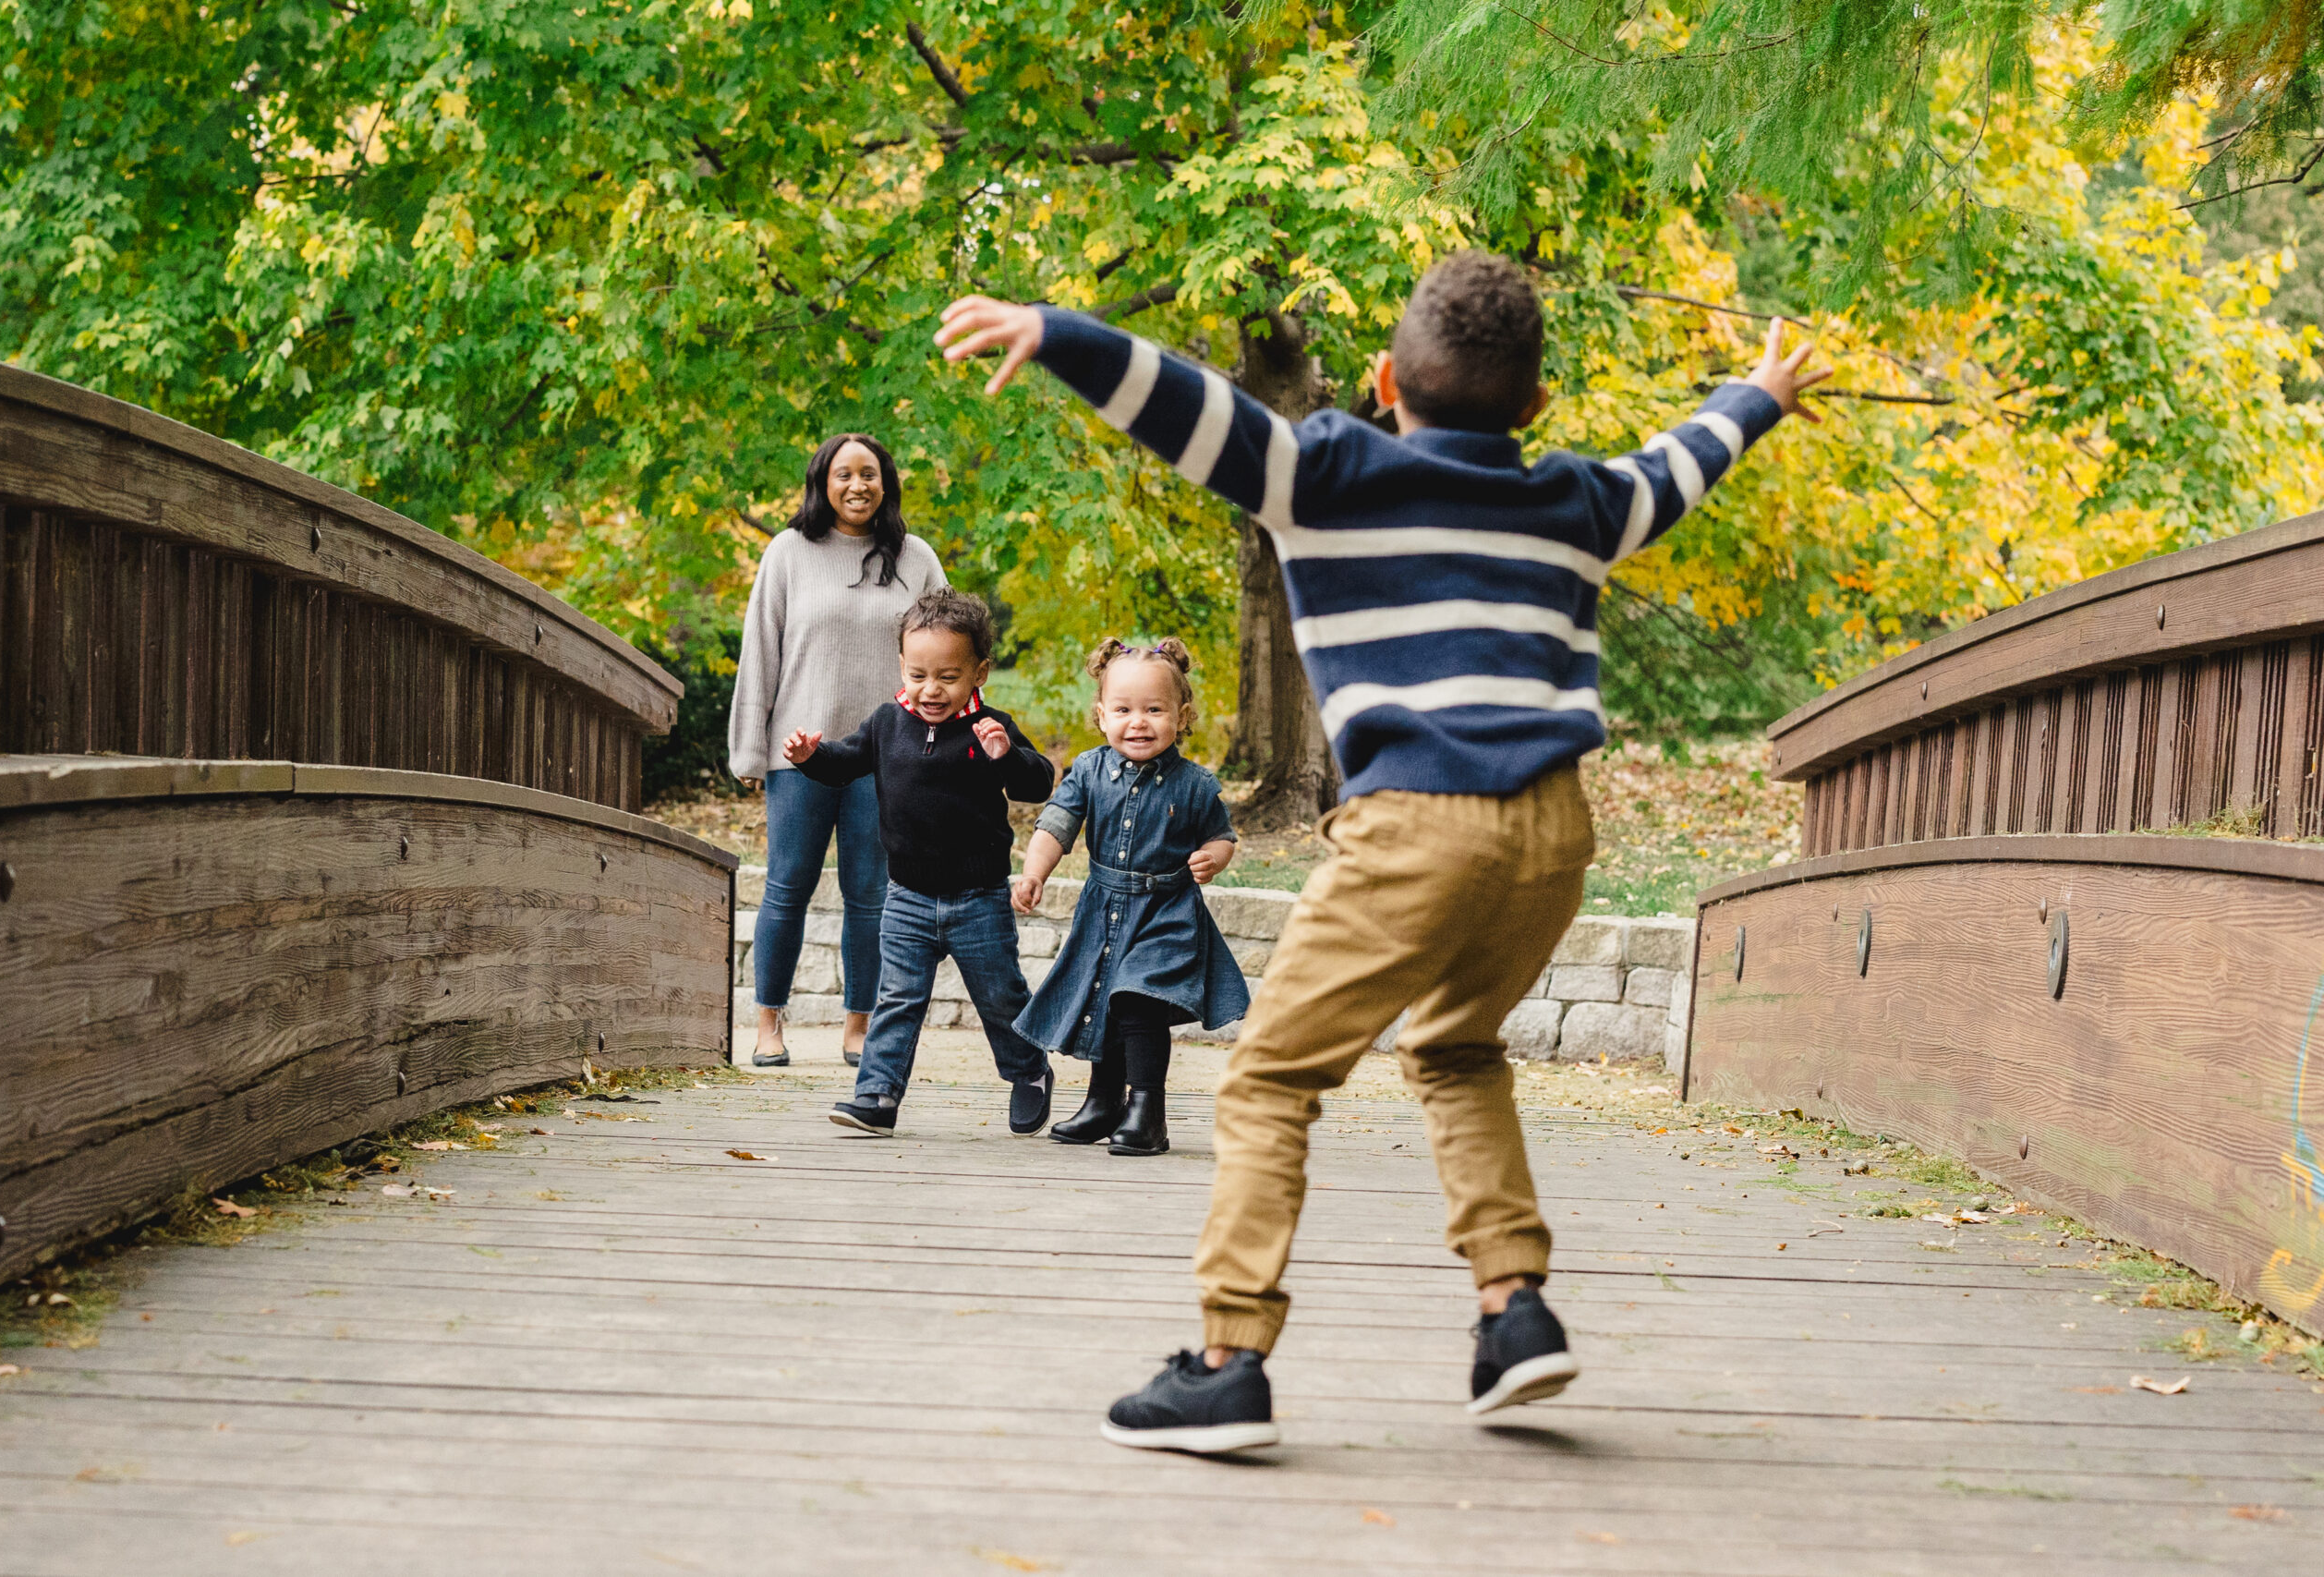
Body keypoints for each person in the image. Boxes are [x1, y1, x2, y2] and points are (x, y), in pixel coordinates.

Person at [936, 250, 1828, 1452]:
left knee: (1268, 1081)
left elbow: (1190, 409)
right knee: (1457, 1048)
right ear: (1535, 409)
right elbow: (1679, 464)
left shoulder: (1327, 472)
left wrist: (1057, 329)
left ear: (1381, 384)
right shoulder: (1577, 497)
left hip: (1417, 820)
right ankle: (1514, 1310)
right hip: (1555, 831)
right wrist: (1760, 394)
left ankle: (1227, 1358)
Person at [783, 589, 1059, 1137]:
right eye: (918, 674)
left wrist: (1007, 754)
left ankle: (1030, 1070)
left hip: (978, 899)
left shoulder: (991, 727)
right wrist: (811, 756)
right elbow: (845, 763)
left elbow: (1039, 781)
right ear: (902, 667)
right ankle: (877, 1095)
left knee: (1000, 995)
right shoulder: (888, 722)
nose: (931, 689)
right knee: (897, 998)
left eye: (948, 677)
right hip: (906, 897)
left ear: (979, 672)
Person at [728, 432, 950, 1070]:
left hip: (886, 756)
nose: (858, 485)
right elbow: (760, 652)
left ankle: (859, 1025)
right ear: (823, 481)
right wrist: (749, 749)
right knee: (786, 888)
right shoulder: (789, 552)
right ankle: (768, 1023)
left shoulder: (916, 557)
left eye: (870, 474)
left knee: (870, 893)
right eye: (845, 474)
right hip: (800, 754)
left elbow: (949, 649)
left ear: (887, 483)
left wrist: (947, 739)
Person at [1011, 637, 1248, 1157]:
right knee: (1105, 1000)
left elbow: (1222, 835)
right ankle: (1103, 1102)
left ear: (1181, 716)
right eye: (1123, 710)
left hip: (1168, 910)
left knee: (1137, 999)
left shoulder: (1195, 785)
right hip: (1105, 907)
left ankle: (1147, 1112)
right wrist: (1034, 873)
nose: (1137, 722)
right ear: (1101, 715)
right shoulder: (1090, 771)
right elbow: (1056, 825)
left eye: (1154, 709)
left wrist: (1214, 856)